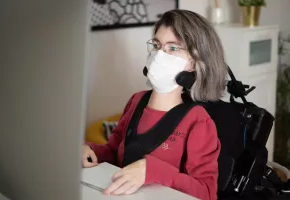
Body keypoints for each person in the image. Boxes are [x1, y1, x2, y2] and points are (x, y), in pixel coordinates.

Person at [82, 9, 227, 200]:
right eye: (157, 45)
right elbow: (114, 152)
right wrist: (88, 150)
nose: (160, 55)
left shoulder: (198, 121)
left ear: (194, 63)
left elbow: (206, 193)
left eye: (172, 48)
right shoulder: (137, 101)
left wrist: (152, 170)